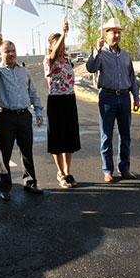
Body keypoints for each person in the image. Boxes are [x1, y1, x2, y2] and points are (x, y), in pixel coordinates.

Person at [0, 33, 44, 202]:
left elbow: (33, 92)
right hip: (6, 117)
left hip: (24, 116)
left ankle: (30, 182)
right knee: (4, 154)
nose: (11, 54)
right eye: (7, 51)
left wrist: (38, 111)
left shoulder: (23, 71)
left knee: (27, 151)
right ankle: (5, 188)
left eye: (13, 51)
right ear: (1, 55)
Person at [86, 17, 139, 182]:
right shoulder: (100, 54)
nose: (116, 35)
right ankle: (108, 170)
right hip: (107, 97)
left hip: (124, 97)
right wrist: (97, 50)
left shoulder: (125, 55)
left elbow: (132, 78)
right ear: (105, 34)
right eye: (112, 32)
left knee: (125, 135)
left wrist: (136, 98)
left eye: (118, 32)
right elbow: (90, 67)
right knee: (106, 135)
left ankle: (124, 168)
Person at [44, 18, 81, 188]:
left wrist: (64, 36)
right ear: (52, 45)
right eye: (59, 43)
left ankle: (68, 171)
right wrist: (64, 33)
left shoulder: (67, 61)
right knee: (58, 139)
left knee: (69, 138)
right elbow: (53, 55)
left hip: (69, 100)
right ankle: (60, 172)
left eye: (64, 43)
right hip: (56, 102)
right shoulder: (49, 61)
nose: (63, 46)